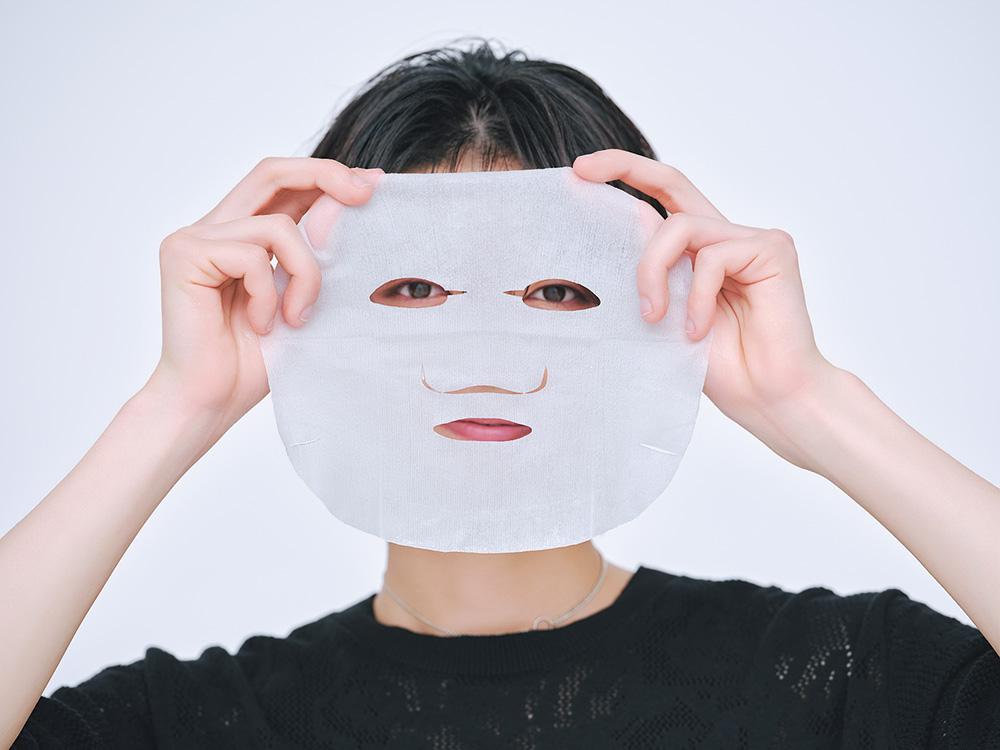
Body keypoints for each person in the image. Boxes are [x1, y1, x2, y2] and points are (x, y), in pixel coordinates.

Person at [2, 40, 999, 749]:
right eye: (412, 288)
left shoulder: (842, 679)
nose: (484, 361)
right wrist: (174, 407)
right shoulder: (199, 725)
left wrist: (813, 402)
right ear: (301, 305)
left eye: (558, 290)